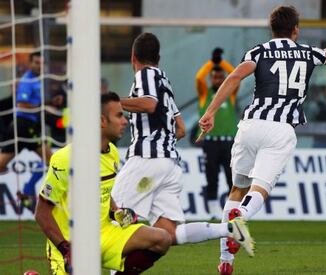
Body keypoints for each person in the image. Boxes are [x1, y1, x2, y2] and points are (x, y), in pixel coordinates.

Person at [198, 5, 326, 274]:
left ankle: (226, 261)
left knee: (237, 189)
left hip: (250, 125)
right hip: (280, 130)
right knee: (260, 189)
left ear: (272, 29)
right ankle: (242, 217)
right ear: (295, 29)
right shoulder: (306, 53)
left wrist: (210, 111)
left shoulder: (258, 51)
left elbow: (235, 76)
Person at [111, 32, 254, 258]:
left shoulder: (144, 75)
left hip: (147, 160)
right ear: (158, 57)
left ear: (133, 57)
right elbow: (180, 128)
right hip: (169, 164)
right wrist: (163, 141)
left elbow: (149, 104)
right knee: (169, 233)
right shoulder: (164, 81)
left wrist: (112, 103)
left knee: (113, 220)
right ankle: (227, 228)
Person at [35, 92, 172, 274]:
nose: (125, 121)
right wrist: (66, 249)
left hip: (105, 234)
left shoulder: (112, 152)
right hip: (72, 244)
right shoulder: (65, 158)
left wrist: (117, 213)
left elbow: (104, 193)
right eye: (119, 115)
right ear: (101, 121)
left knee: (162, 238)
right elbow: (41, 213)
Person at [0, 52, 52, 212]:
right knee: (52, 161)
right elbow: (22, 104)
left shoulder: (36, 80)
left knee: (2, 165)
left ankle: (28, 191)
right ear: (30, 64)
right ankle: (29, 190)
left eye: (41, 63)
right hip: (24, 126)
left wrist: (50, 103)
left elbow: (34, 103)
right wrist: (43, 106)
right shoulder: (27, 80)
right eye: (36, 62)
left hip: (27, 126)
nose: (39, 66)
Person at [195, 48, 239, 219]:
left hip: (228, 142)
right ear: (211, 78)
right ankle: (213, 210)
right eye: (214, 77)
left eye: (221, 77)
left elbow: (235, 75)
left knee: (231, 177)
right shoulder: (204, 94)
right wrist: (212, 63)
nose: (218, 80)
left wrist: (221, 63)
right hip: (211, 142)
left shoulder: (230, 95)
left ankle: (232, 210)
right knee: (211, 176)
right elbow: (199, 77)